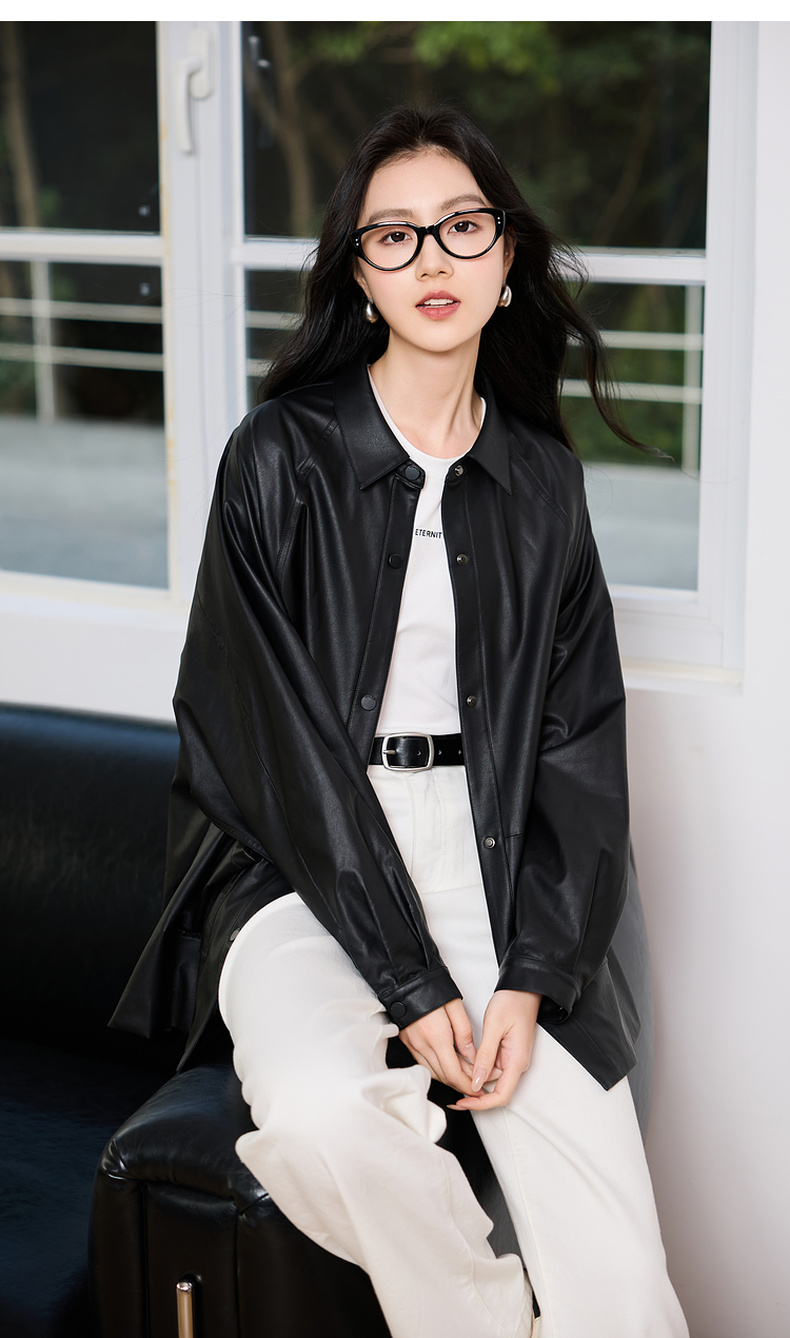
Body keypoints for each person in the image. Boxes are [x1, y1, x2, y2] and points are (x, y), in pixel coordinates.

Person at [113, 105, 689, 1338]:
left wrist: (532, 976)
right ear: (360, 277)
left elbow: (578, 751)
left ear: (507, 255)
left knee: (621, 1275)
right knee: (321, 1121)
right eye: (394, 235)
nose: (432, 258)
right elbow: (266, 745)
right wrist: (409, 976)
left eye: (461, 226)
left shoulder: (543, 483)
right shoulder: (278, 457)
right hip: (296, 867)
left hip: (492, 860)